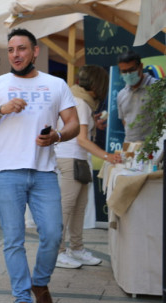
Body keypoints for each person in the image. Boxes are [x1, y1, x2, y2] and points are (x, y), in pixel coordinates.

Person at [0, 28, 80, 303]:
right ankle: (22, 299)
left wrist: (57, 135)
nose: (16, 54)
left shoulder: (55, 84)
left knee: (54, 234)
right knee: (14, 239)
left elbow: (74, 124)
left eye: (21, 48)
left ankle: (40, 282)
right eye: (11, 50)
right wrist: (1, 110)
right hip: (6, 171)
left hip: (44, 172)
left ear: (35, 52)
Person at [55, 65, 122, 269]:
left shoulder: (79, 100)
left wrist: (93, 124)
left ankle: (76, 248)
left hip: (76, 160)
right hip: (71, 159)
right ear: (98, 84)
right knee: (67, 209)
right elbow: (82, 140)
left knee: (77, 208)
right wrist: (107, 156)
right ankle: (57, 252)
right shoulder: (81, 103)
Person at [116, 50, 157, 143]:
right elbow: (124, 121)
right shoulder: (121, 95)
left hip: (153, 147)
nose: (128, 74)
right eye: (124, 71)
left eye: (131, 70)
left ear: (141, 67)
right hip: (129, 146)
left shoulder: (157, 88)